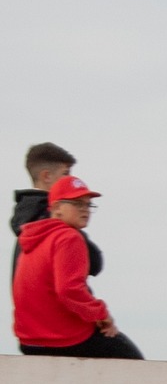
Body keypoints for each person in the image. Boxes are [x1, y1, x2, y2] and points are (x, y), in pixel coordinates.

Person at [12, 175, 143, 359]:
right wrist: (102, 314)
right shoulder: (69, 237)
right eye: (77, 203)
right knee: (132, 360)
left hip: (30, 341)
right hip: (63, 339)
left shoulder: (32, 238)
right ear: (57, 208)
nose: (85, 210)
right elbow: (68, 290)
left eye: (88, 204)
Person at [11, 142, 101, 279]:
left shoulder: (28, 221)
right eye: (66, 173)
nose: (71, 180)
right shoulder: (53, 219)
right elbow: (94, 263)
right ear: (46, 176)